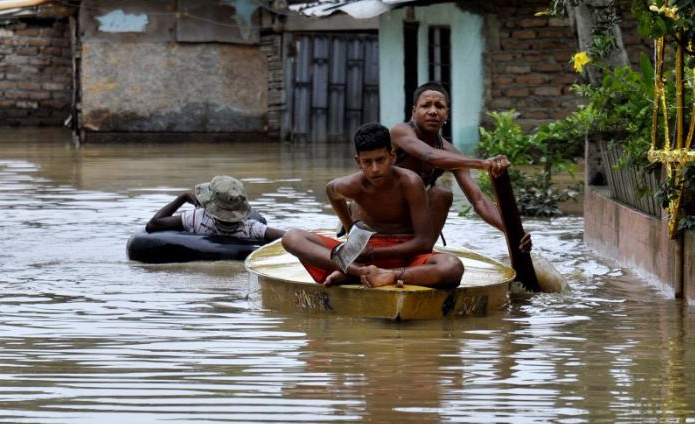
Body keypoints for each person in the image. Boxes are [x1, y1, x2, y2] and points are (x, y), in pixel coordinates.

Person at [281, 122, 464, 288]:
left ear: (392, 156)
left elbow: (424, 243)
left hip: (406, 257)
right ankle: (357, 273)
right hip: (361, 258)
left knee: (452, 267)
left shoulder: (410, 182)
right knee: (292, 237)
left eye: (380, 160)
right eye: (367, 162)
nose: (375, 169)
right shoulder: (352, 184)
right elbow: (331, 191)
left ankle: (387, 275)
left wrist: (375, 253)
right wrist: (351, 230)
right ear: (358, 162)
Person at [390, 82, 531, 251]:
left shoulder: (451, 153)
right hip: (382, 212)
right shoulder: (400, 132)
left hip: (414, 222)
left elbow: (478, 200)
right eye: (426, 106)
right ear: (414, 112)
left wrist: (512, 231)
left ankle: (421, 253)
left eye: (439, 106)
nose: (433, 111)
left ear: (446, 114)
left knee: (442, 194)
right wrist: (483, 163)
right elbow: (428, 155)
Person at [145, 175, 284, 242]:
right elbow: (285, 237)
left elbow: (153, 225)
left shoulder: (197, 218)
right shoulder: (251, 228)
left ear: (210, 204)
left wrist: (182, 198)